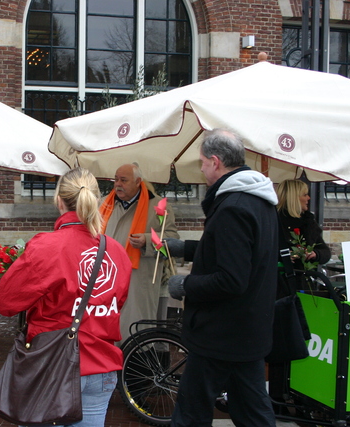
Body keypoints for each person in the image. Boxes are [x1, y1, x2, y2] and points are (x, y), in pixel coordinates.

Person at [0, 167, 132, 426]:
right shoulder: (116, 251)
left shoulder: (46, 247)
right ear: (96, 198)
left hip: (52, 366)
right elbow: (116, 302)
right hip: (102, 366)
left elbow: (5, 302)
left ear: (59, 200)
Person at [166, 129, 279, 426]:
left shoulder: (233, 208)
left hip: (221, 333)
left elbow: (231, 278)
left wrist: (185, 285)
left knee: (190, 413)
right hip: (247, 331)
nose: (201, 169)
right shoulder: (259, 201)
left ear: (215, 162)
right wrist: (186, 248)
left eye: (202, 162)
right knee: (254, 414)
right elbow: (237, 255)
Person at [99, 163, 178, 344]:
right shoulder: (103, 204)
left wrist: (147, 241)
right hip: (106, 280)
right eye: (116, 179)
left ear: (138, 182)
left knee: (134, 333)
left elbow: (173, 242)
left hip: (139, 281)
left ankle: (134, 368)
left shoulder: (159, 207)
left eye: (123, 180)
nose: (118, 184)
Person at [276, 179, 331, 274]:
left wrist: (315, 254)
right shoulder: (274, 221)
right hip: (280, 281)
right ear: (294, 198)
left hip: (304, 280)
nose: (308, 198)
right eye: (305, 195)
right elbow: (262, 251)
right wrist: (282, 256)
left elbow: (325, 252)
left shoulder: (308, 221)